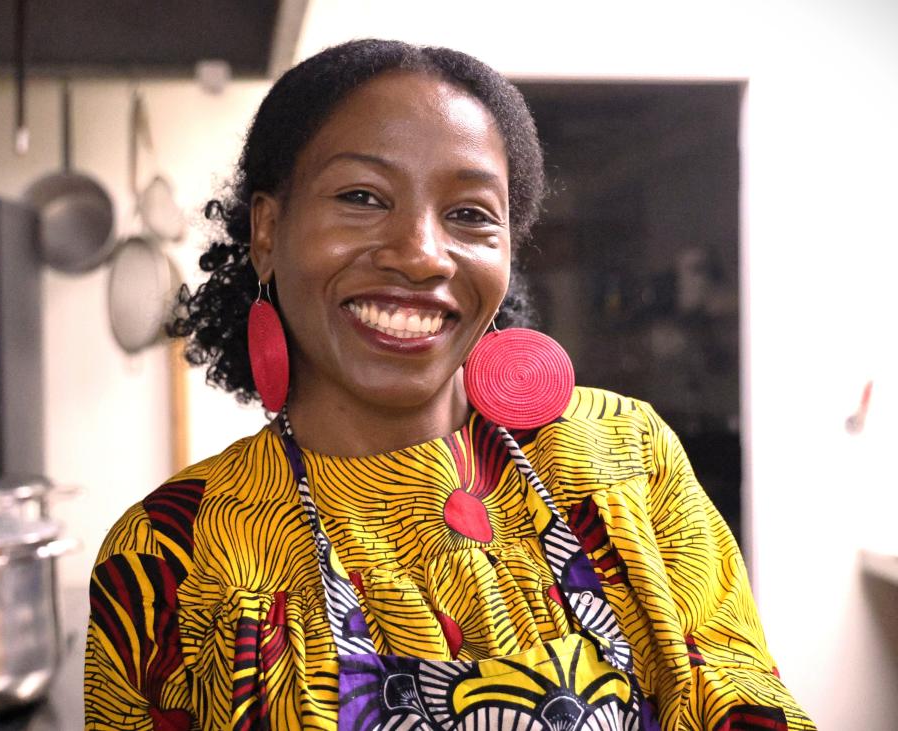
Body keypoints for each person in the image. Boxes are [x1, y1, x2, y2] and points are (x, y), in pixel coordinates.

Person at [84, 39, 814, 730]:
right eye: (364, 197)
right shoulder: (169, 553)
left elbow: (743, 700)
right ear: (268, 231)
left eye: (469, 214)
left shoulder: (625, 459)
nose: (422, 254)